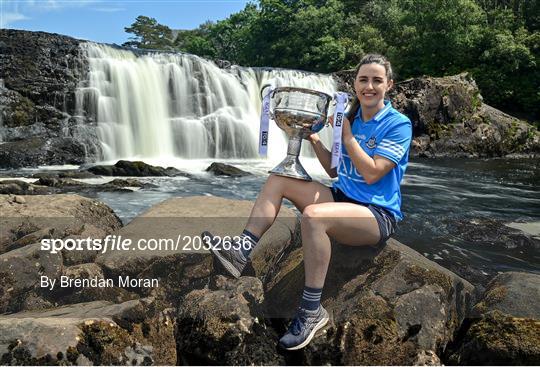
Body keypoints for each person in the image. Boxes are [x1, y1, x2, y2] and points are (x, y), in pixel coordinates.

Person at [202, 53, 412, 350]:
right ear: (355, 84)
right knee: (278, 179)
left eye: (377, 80)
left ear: (388, 85)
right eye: (363, 79)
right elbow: (335, 170)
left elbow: (373, 173)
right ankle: (241, 252)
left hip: (376, 214)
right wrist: (311, 137)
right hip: (342, 198)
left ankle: (312, 310)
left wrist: (347, 136)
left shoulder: (398, 124)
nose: (369, 86)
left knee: (314, 216)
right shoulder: (351, 117)